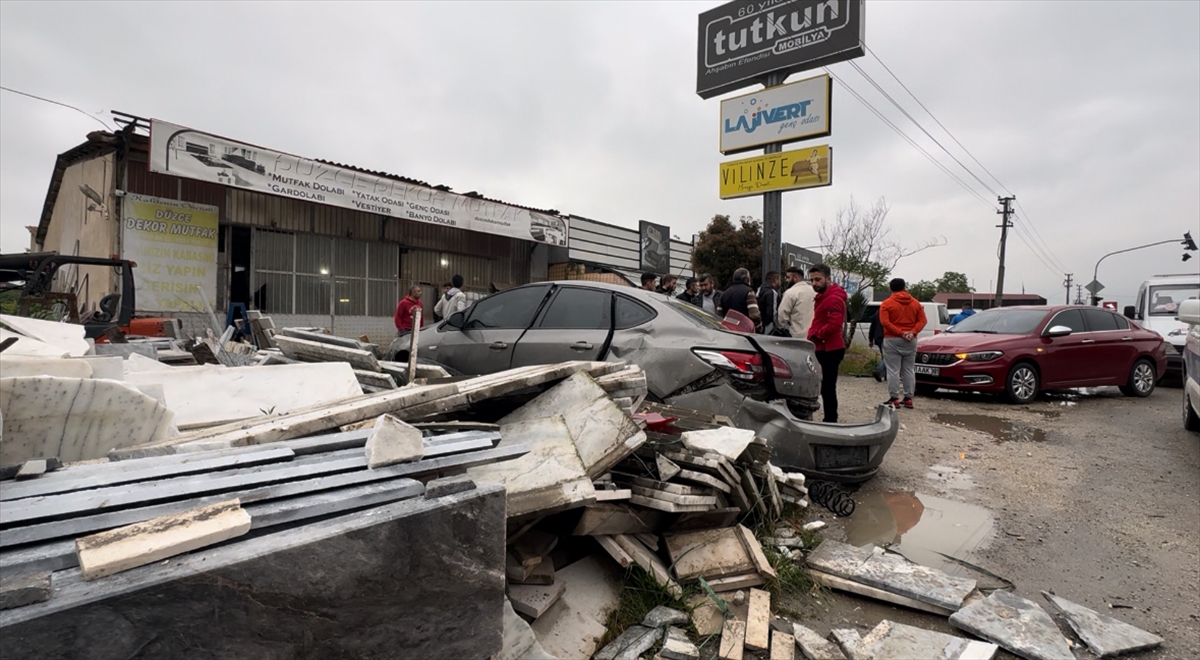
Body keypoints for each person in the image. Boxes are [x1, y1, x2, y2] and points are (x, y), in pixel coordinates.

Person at [806, 264, 847, 423]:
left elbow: (835, 325)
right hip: (822, 346)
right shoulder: (824, 297)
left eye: (818, 279)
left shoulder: (833, 299)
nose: (814, 283)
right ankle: (829, 417)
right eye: (812, 280)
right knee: (824, 386)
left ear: (828, 279)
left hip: (829, 348)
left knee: (828, 387)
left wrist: (816, 335)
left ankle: (831, 419)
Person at [879, 278, 927, 409]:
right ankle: (908, 398)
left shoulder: (886, 304)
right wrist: (912, 332)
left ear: (890, 288)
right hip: (911, 340)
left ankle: (894, 398)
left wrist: (900, 333)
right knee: (909, 369)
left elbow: (885, 323)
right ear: (905, 287)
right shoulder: (916, 303)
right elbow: (923, 320)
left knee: (893, 370)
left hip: (892, 339)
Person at [777, 266, 815, 338]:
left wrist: (784, 328)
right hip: (813, 335)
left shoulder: (790, 293)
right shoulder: (814, 291)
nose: (786, 280)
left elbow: (782, 315)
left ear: (795, 278)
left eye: (788, 277)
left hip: (795, 336)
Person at [869, 308, 886, 382]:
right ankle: (879, 371)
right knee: (888, 357)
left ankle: (886, 375)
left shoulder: (877, 313)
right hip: (886, 336)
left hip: (878, 337)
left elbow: (872, 327)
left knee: (885, 355)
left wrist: (870, 339)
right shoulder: (889, 312)